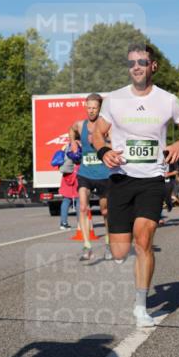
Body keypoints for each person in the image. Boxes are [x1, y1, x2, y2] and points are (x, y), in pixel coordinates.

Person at [91, 43, 179, 327]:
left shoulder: (169, 100)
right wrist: (104, 152)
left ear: (153, 66)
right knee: (120, 251)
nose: (136, 66)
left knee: (144, 241)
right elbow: (97, 134)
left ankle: (141, 306)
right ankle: (120, 253)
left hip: (152, 179)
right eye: (131, 63)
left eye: (142, 61)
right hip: (121, 178)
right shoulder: (113, 99)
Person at [70, 94, 112, 261]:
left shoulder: (107, 126)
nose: (91, 110)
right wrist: (73, 142)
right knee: (82, 207)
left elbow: (116, 145)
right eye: (89, 107)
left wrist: (101, 142)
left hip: (104, 174)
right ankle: (87, 246)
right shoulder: (81, 125)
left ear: (99, 108)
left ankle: (109, 243)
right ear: (85, 106)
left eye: (94, 107)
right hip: (85, 173)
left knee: (105, 211)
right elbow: (71, 129)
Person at [57, 143, 80, 229]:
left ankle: (63, 223)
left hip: (66, 176)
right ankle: (80, 223)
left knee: (66, 199)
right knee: (79, 199)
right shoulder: (78, 145)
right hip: (77, 174)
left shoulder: (66, 147)